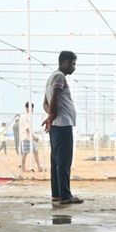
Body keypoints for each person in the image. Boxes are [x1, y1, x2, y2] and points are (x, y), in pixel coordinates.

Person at [43, 50, 82, 205]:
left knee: (56, 161)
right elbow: (54, 100)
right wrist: (52, 115)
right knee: (64, 161)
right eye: (73, 64)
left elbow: (45, 103)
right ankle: (65, 196)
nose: (74, 67)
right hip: (63, 125)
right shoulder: (59, 77)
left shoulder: (50, 78)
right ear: (65, 62)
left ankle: (57, 194)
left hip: (57, 125)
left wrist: (50, 115)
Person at [18, 102, 43, 173]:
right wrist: (34, 137)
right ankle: (23, 168)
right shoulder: (25, 116)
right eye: (30, 107)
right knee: (25, 153)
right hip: (26, 138)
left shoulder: (28, 116)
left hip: (29, 138)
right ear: (26, 108)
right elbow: (27, 129)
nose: (31, 109)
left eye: (32, 107)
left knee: (35, 152)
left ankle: (39, 167)